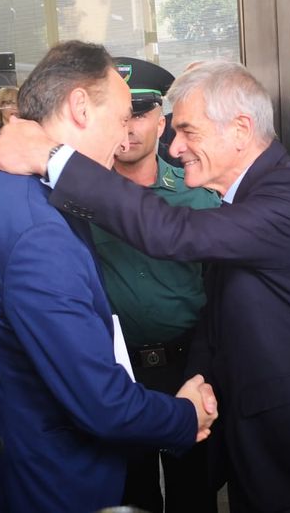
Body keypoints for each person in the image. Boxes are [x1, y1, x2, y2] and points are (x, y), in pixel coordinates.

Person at [0, 60, 290, 513]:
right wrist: (189, 392)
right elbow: (218, 314)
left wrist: (54, 158)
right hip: (258, 437)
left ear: (240, 129)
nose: (174, 147)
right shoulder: (245, 199)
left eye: (188, 131)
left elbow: (175, 233)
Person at [0, 40, 217, 513]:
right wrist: (185, 414)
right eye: (122, 118)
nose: (124, 138)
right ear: (80, 107)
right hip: (45, 479)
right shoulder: (40, 230)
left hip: (1, 455)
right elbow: (102, 403)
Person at [102, 57, 220, 513]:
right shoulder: (82, 201)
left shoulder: (196, 195)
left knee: (194, 490)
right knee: (131, 493)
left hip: (186, 364)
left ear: (161, 121)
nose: (129, 128)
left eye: (140, 113)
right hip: (118, 373)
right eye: (120, 115)